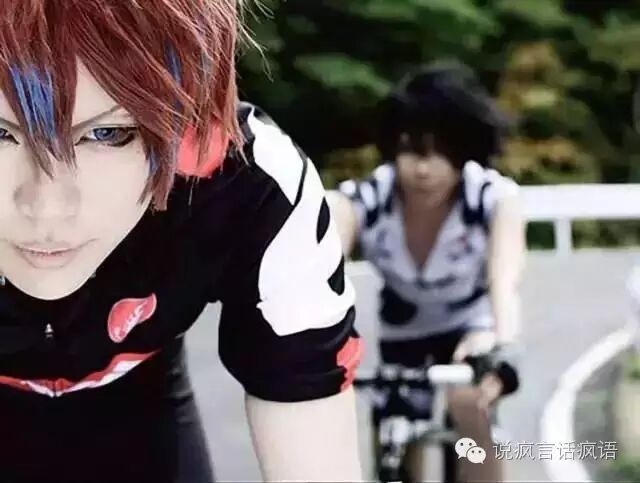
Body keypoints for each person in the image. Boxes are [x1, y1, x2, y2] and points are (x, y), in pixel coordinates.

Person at [0, 2, 364, 482]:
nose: (47, 207)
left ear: (184, 125)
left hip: (140, 411)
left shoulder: (249, 184)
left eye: (108, 133)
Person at [327, 61, 525, 482]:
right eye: (411, 150)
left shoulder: (492, 199)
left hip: (470, 324)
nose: (423, 169)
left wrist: (504, 350)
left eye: (441, 153)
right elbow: (326, 257)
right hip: (404, 330)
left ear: (465, 150)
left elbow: (504, 282)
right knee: (396, 431)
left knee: (470, 400)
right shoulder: (368, 199)